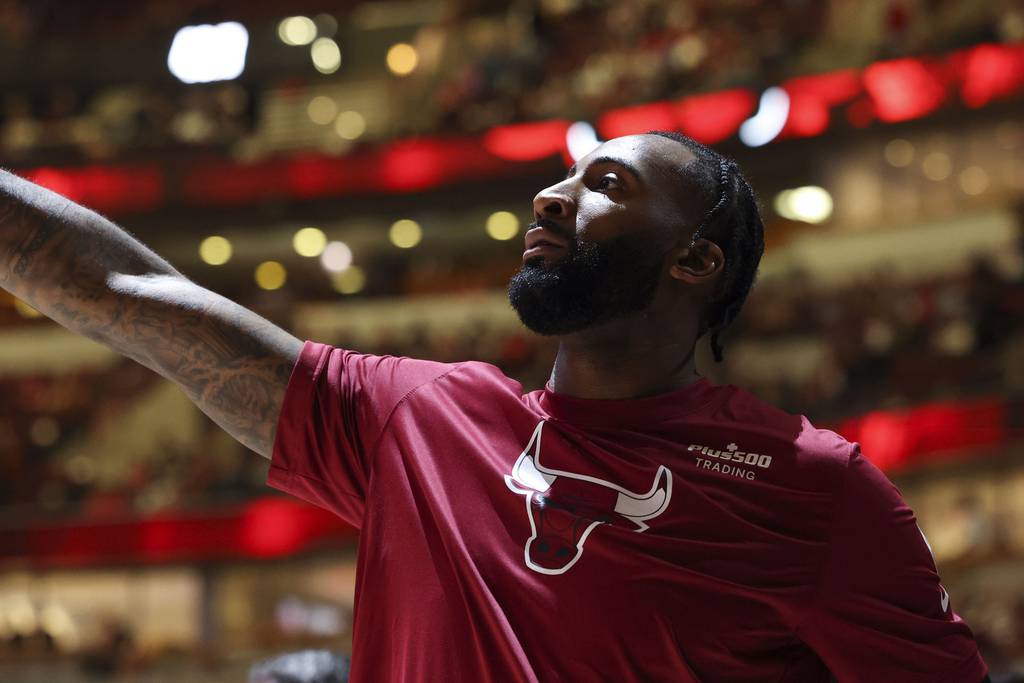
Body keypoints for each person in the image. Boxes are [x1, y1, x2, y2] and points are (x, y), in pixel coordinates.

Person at [0, 131, 990, 682]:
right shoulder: (422, 416)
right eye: (562, 176)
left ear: (695, 260)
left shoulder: (813, 485)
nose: (553, 196)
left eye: (606, 184)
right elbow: (127, 295)